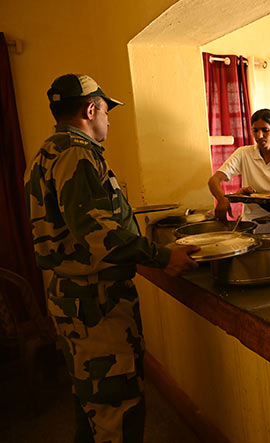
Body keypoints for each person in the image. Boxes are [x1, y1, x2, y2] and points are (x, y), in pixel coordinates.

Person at [24, 74, 199, 442]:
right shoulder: (77, 154)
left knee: (92, 402)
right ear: (90, 109)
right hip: (97, 303)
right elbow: (100, 234)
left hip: (75, 299)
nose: (109, 119)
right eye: (106, 110)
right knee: (116, 409)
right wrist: (162, 256)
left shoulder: (47, 151)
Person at [207, 109, 270, 225]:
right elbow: (214, 180)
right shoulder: (244, 153)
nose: (259, 136)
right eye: (255, 130)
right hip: (251, 222)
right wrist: (222, 199)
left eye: (265, 130)